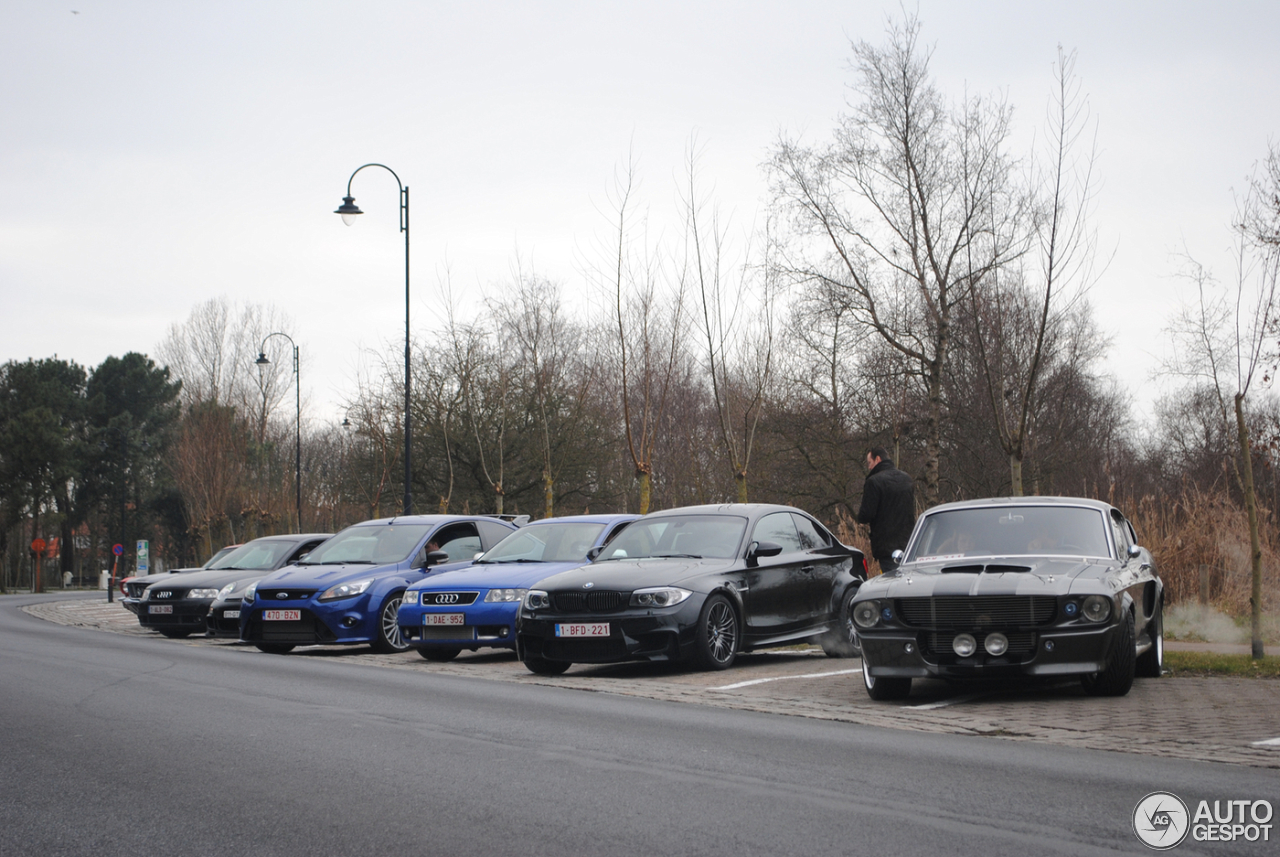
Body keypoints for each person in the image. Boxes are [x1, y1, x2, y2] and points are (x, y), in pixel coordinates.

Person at [855, 447, 916, 573]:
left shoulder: (874, 482)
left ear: (877, 459)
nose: (869, 467)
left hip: (886, 547)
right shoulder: (907, 479)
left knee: (892, 583)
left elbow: (865, 515)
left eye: (869, 463)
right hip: (909, 544)